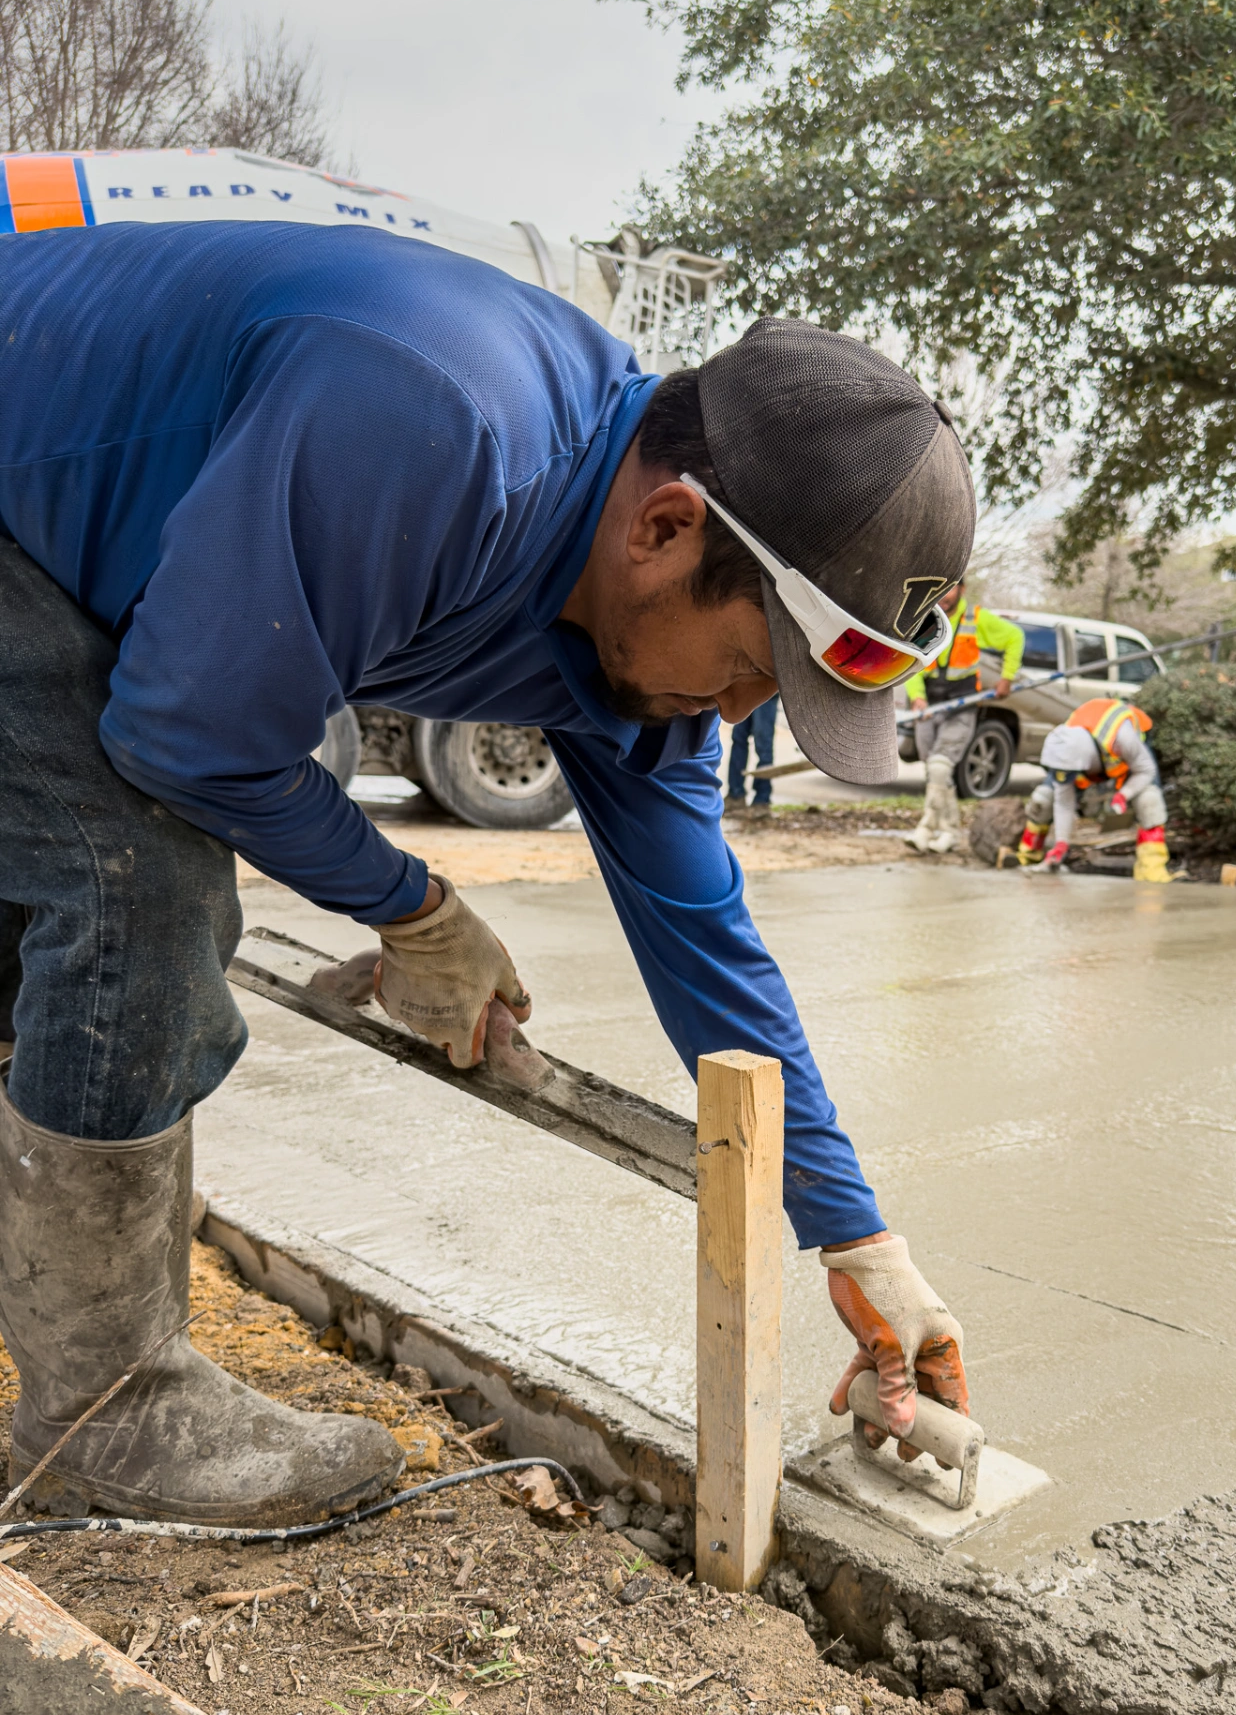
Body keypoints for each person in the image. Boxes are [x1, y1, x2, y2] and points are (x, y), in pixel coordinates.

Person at [0, 219, 974, 1524]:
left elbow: (705, 942)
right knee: (137, 891)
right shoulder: (437, 424)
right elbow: (186, 734)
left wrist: (855, 1237)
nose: (740, 718)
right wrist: (418, 911)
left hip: (69, 547)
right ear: (668, 528)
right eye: (755, 670)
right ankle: (108, 1416)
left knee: (52, 909)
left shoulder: (649, 669)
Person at [901, 584, 1024, 853]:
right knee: (935, 773)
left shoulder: (977, 619)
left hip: (961, 707)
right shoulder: (925, 620)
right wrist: (918, 697)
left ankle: (925, 829)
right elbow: (912, 662)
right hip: (930, 707)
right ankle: (950, 832)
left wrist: (1007, 678)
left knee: (940, 767)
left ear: (962, 589)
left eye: (949, 590)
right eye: (940, 591)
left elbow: (1015, 637)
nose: (943, 598)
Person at [1015, 698, 1172, 880]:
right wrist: (1061, 844)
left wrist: (1124, 794)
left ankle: (1152, 873)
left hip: (1135, 755)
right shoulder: (1065, 747)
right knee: (1043, 799)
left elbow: (1146, 770)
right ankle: (1029, 858)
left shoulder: (1123, 738)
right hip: (1090, 751)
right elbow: (1063, 802)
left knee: (1149, 802)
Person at [727, 695, 779, 812]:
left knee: (763, 745)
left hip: (766, 688)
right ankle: (736, 795)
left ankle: (762, 800)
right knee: (738, 738)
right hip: (744, 689)